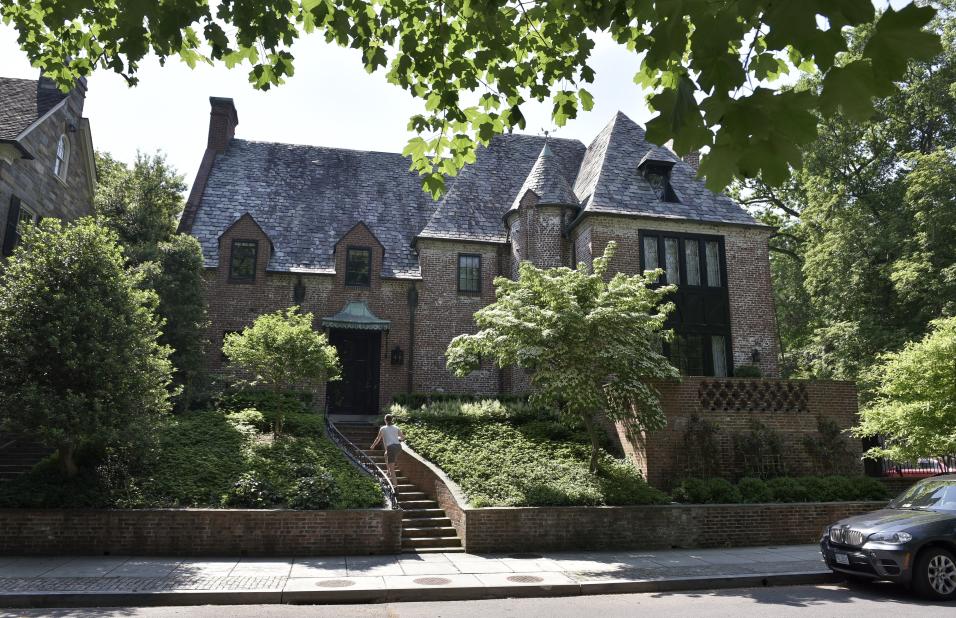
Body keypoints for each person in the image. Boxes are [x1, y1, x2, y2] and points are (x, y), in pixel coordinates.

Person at [369, 414, 405, 485]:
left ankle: (395, 487)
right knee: (386, 454)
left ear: (385, 420)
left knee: (392, 470)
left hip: (391, 448)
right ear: (392, 420)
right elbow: (403, 437)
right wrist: (398, 439)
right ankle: (388, 471)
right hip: (398, 447)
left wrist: (373, 446)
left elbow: (378, 439)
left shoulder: (383, 428)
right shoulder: (396, 427)